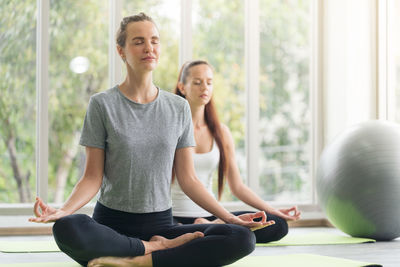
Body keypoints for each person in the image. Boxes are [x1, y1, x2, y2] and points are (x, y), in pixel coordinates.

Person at [29, 13, 273, 267]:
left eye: (154, 41)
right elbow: (92, 177)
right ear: (121, 51)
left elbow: (189, 180)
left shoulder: (178, 107)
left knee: (241, 238)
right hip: (111, 226)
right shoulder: (102, 104)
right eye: (138, 41)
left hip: (161, 224)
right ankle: (153, 250)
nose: (149, 48)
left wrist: (229, 218)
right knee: (67, 227)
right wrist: (63, 210)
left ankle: (136, 262)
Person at [172, 60, 301, 243]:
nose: (204, 87)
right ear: (182, 87)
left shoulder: (221, 132)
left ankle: (209, 227)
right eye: (197, 82)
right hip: (174, 217)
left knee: (277, 224)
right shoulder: (171, 128)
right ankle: (197, 230)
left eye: (209, 82)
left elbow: (237, 186)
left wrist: (272, 210)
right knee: (237, 235)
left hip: (212, 215)